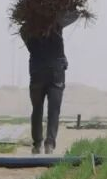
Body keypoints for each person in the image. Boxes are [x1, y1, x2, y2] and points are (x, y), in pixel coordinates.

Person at [20, 9, 77, 154]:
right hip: (55, 73)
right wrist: (68, 6)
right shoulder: (56, 24)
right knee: (54, 110)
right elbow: (75, 15)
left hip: (37, 73)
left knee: (37, 109)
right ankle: (49, 144)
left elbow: (28, 40)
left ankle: (37, 144)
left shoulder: (26, 29)